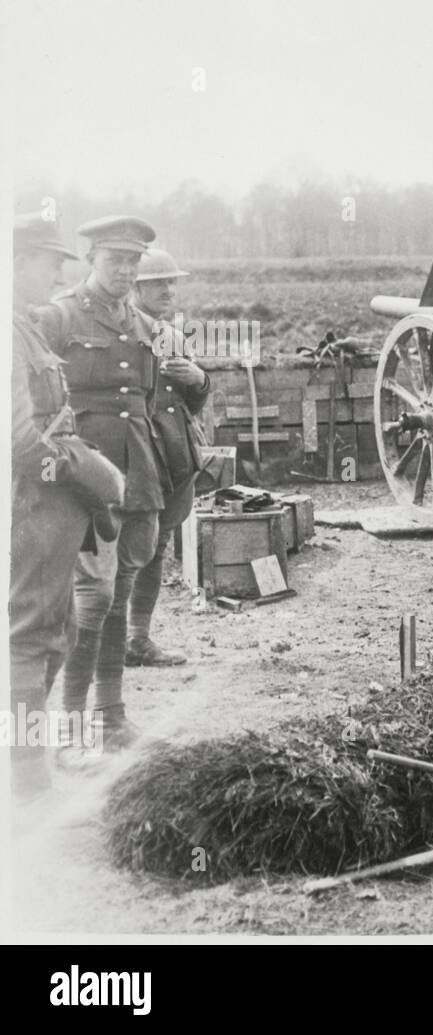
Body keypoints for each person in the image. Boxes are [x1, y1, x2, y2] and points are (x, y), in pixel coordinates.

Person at [36, 215, 166, 753]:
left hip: (136, 471)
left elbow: (149, 403)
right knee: (91, 600)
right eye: (115, 260)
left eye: (133, 261)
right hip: (82, 474)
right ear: (91, 259)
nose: (125, 270)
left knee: (122, 592)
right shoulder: (59, 316)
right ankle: (69, 726)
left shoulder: (141, 323)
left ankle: (110, 716)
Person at [10, 213, 124, 795]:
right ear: (18, 260)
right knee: (29, 639)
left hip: (46, 507)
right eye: (50, 260)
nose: (58, 271)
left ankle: (26, 764)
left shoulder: (23, 325)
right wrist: (87, 473)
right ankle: (26, 776)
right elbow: (21, 442)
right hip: (31, 506)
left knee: (55, 634)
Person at [126, 247, 211, 666]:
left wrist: (199, 380)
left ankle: (137, 638)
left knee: (156, 547)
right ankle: (108, 641)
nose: (168, 289)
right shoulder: (123, 331)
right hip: (135, 455)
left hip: (174, 456)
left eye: (172, 282)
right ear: (136, 286)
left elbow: (191, 407)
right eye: (158, 282)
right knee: (124, 549)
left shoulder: (175, 336)